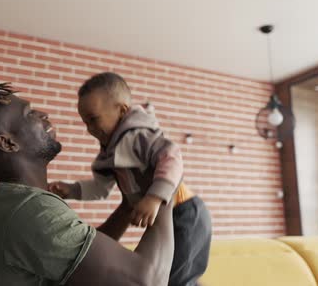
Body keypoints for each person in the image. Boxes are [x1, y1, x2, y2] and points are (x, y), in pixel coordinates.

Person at [0, 80, 174, 286]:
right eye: (29, 114)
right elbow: (148, 280)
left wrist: (127, 206)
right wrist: (163, 189)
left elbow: (84, 257)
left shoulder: (10, 203)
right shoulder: (29, 210)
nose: (43, 114)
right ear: (7, 144)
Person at [48, 72, 212, 286]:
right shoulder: (108, 155)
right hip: (168, 216)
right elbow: (100, 188)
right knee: (173, 277)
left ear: (122, 110)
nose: (90, 129)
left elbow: (171, 156)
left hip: (185, 212)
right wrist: (72, 190)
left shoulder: (139, 136)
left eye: (94, 119)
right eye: (85, 122)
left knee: (173, 278)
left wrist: (154, 197)